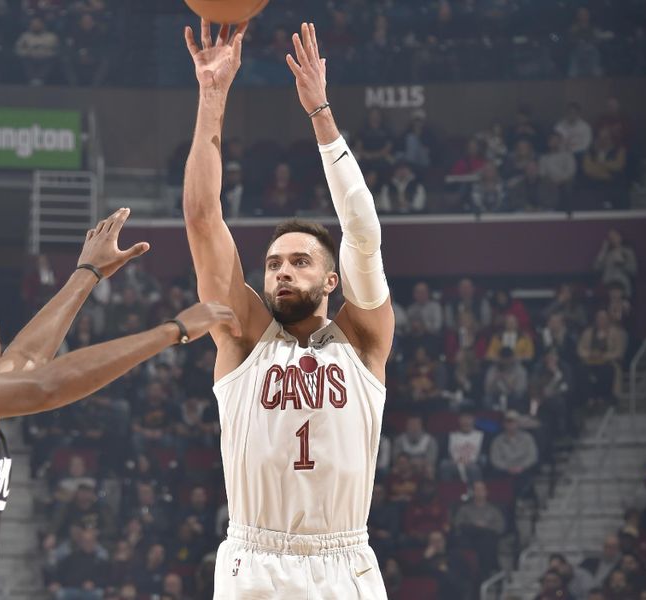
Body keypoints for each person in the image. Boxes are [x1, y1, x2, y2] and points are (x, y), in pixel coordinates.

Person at [0, 208, 237, 599]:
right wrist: (174, 330)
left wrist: (87, 273)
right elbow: (44, 386)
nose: (3, 347)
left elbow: (31, 358)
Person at [182, 20, 394, 598]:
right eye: (274, 263)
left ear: (331, 278)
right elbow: (203, 220)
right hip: (256, 559)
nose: (281, 270)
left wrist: (321, 114)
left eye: (299, 261)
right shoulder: (244, 339)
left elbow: (363, 230)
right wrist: (212, 95)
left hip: (344, 557)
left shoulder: (365, 340)